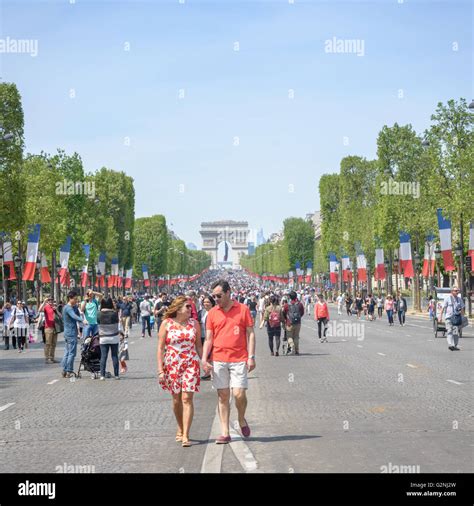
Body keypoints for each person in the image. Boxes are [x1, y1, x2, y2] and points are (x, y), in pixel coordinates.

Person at [202, 280, 255, 444]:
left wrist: (251, 356)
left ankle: (241, 419)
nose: (215, 299)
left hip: (239, 358)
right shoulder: (212, 313)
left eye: (219, 295)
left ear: (228, 292)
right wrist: (204, 359)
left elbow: (250, 334)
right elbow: (209, 339)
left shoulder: (243, 309)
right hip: (219, 358)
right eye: (213, 296)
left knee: (239, 394)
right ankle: (225, 431)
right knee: (223, 396)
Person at [157, 296, 202, 447]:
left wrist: (205, 361)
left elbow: (199, 347)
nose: (190, 309)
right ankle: (180, 428)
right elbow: (160, 348)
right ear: (178, 309)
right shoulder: (166, 324)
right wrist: (160, 371)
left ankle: (186, 435)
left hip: (190, 363)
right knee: (176, 400)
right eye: (187, 307)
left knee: (187, 399)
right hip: (172, 364)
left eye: (191, 307)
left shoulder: (194, 324)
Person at [61, 291, 88, 378]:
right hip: (71, 333)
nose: (76, 300)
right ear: (70, 298)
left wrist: (77, 307)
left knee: (67, 352)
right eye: (75, 299)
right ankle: (69, 370)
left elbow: (78, 312)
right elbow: (74, 316)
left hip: (67, 333)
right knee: (72, 353)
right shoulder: (68, 308)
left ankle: (64, 370)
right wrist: (82, 320)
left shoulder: (70, 307)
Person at [97, 297, 120, 380]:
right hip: (114, 337)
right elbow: (117, 323)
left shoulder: (98, 314)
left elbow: (98, 323)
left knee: (103, 356)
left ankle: (102, 375)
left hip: (103, 338)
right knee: (114, 356)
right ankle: (116, 375)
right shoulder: (114, 313)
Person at [439, 286, 465, 351]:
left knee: (455, 332)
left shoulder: (459, 299)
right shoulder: (447, 298)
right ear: (452, 292)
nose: (457, 292)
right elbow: (443, 308)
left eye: (458, 291)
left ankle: (455, 345)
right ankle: (450, 344)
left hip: (456, 318)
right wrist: (440, 316)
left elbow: (462, 309)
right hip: (449, 318)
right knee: (449, 331)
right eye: (455, 291)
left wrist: (463, 317)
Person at [197, 295, 215, 380]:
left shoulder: (215, 312)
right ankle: (207, 372)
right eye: (204, 302)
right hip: (202, 335)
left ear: (212, 303)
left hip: (212, 336)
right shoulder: (201, 312)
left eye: (208, 302)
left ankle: (212, 373)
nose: (206, 304)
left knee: (211, 354)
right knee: (204, 355)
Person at [282, 291, 305, 355]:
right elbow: (302, 312)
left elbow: (283, 313)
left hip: (289, 323)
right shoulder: (300, 304)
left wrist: (286, 319)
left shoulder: (287, 305)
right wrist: (298, 317)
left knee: (289, 336)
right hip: (298, 323)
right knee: (296, 336)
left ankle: (292, 346)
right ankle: (297, 350)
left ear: (290, 297)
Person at [38, 296, 58, 363]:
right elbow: (39, 310)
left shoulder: (54, 307)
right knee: (48, 343)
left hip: (55, 328)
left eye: (52, 300)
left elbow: (60, 316)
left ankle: (52, 358)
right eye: (49, 300)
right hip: (48, 327)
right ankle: (47, 358)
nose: (50, 301)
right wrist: (44, 302)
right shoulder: (46, 307)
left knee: (53, 344)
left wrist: (56, 310)